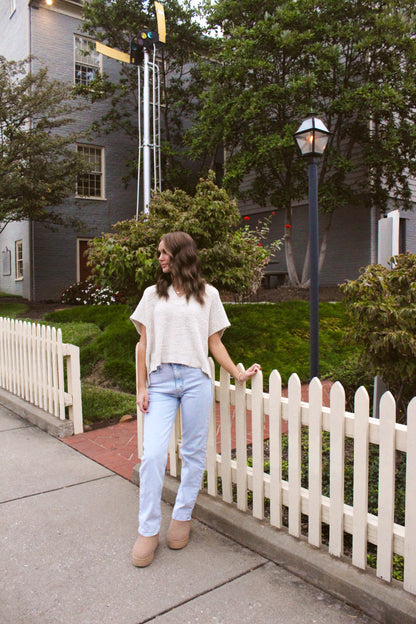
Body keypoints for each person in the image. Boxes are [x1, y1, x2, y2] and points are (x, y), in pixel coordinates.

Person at [129, 231, 261, 567]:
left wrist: (237, 373)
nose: (159, 258)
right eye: (158, 252)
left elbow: (214, 343)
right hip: (160, 380)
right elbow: (142, 345)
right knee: (154, 454)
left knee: (192, 452)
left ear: (181, 254)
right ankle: (147, 530)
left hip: (195, 380)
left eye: (164, 253)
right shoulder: (151, 295)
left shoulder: (209, 295)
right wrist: (141, 387)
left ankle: (182, 517)